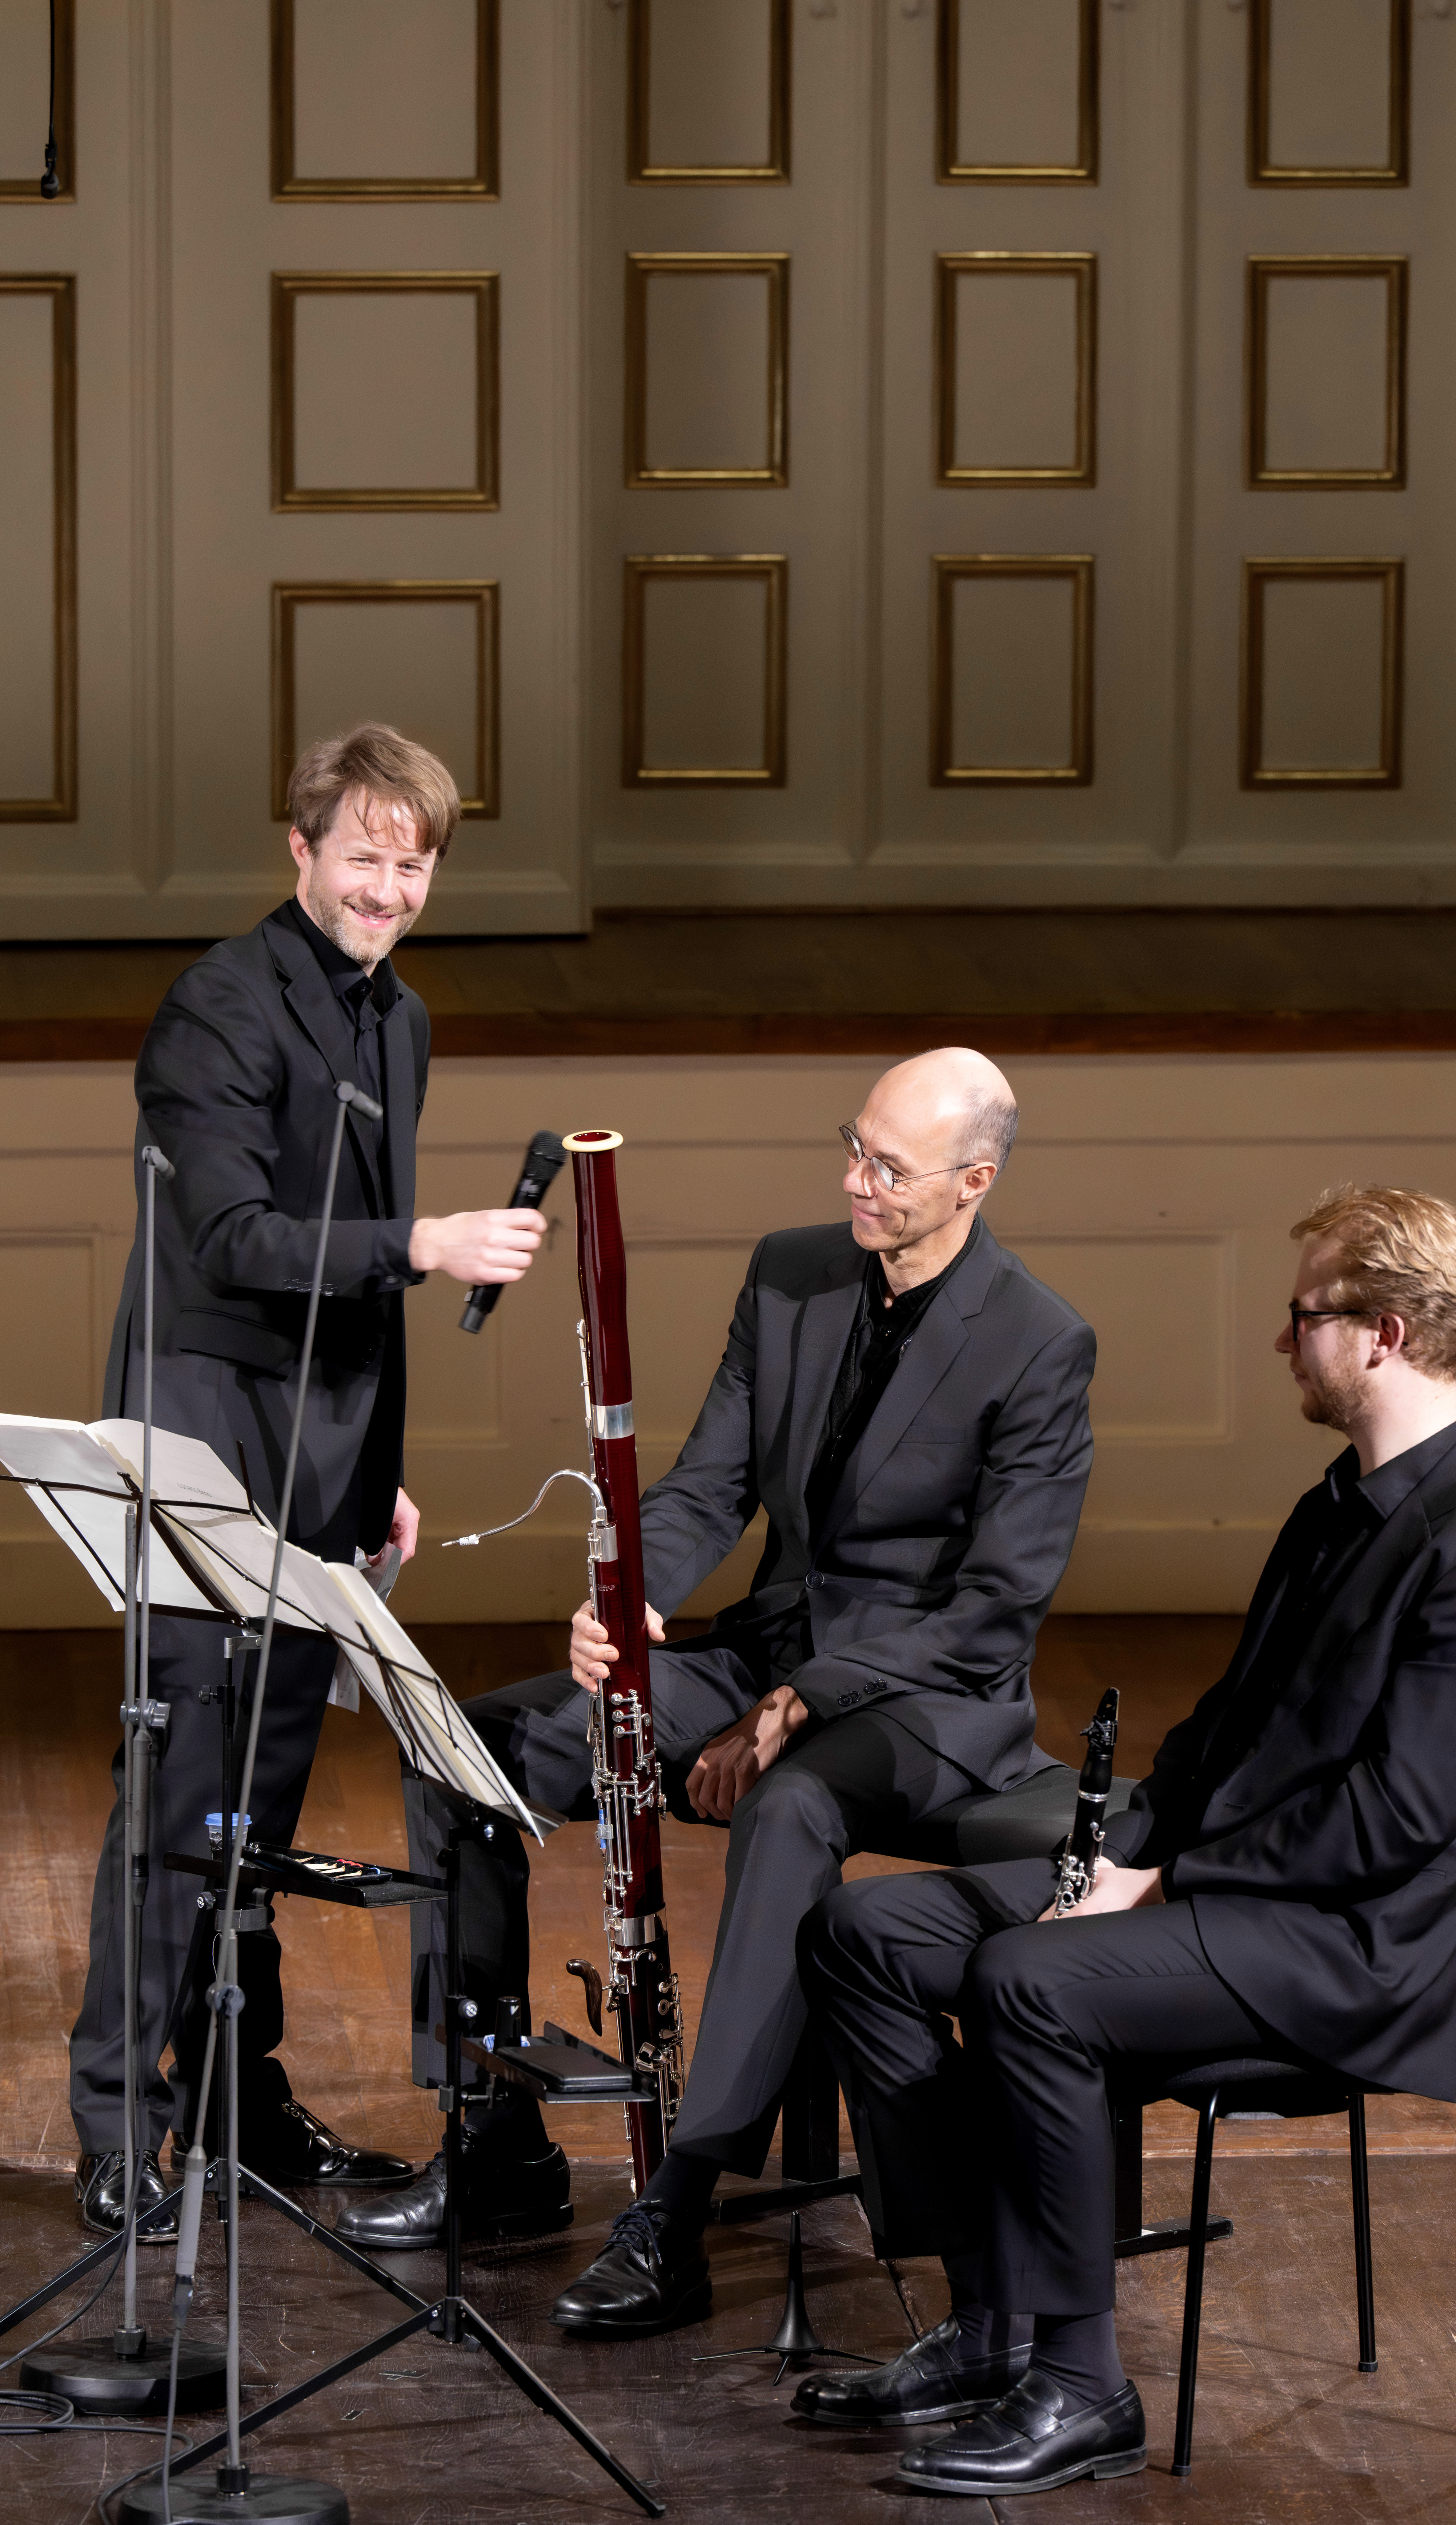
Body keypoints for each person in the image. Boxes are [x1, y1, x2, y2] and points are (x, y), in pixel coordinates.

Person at [795, 1184, 1456, 2498]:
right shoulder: (1337, 1505)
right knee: (867, 1931)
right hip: (1232, 1903)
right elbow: (1221, 1736)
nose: (1283, 1343)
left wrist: (1159, 1885)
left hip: (1355, 1952)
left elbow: (1394, 1824)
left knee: (1028, 1983)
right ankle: (986, 2315)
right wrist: (1126, 1848)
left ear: (1382, 1334)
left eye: (1303, 1317)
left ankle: (1079, 2383)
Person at [339, 1050, 1097, 2338]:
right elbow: (709, 1479)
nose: (853, 1182)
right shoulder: (791, 1272)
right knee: (468, 1748)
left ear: (972, 1184)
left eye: (888, 1169)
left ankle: (673, 2210)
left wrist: (805, 1698)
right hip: (764, 1658)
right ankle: (495, 2132)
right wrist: (634, 1596)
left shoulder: (1037, 1343)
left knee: (790, 1811)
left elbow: (991, 1611)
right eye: (850, 1146)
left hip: (925, 1701)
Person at [68, 722, 555, 2242]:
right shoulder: (218, 1005)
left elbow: (365, 1283)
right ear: (302, 850)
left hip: (321, 1457)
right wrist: (424, 1246)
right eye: (364, 856)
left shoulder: (397, 1019)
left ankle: (238, 2108)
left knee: (260, 1809)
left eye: (414, 865)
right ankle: (115, 2127)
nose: (389, 888)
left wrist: (380, 1476)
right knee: (179, 1793)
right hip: (204, 1431)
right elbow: (233, 1241)